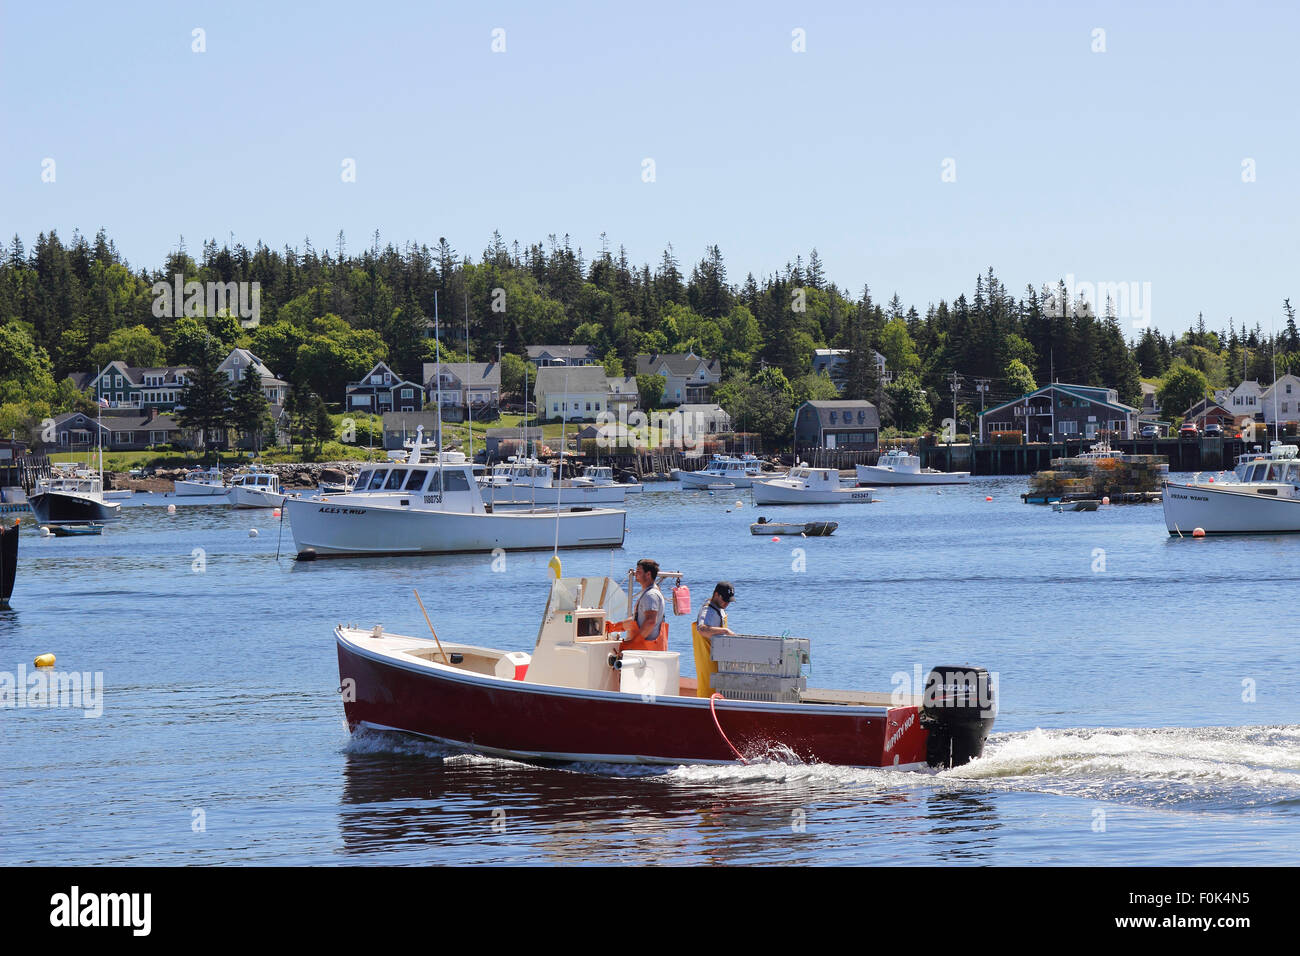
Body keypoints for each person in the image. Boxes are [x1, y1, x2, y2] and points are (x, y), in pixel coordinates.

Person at [605, 558, 668, 652]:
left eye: (638, 571)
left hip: (647, 651)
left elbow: (650, 622)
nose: (635, 573)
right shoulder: (648, 593)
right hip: (644, 650)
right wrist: (615, 627)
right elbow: (636, 620)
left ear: (648, 574)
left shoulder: (651, 595)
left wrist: (633, 643)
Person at [692, 582, 736, 697]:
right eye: (724, 599)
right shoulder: (708, 611)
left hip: (718, 662)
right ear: (716, 595)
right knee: (708, 692)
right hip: (708, 662)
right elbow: (701, 629)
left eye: (729, 601)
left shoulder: (720, 608)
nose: (726, 603)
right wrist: (725, 631)